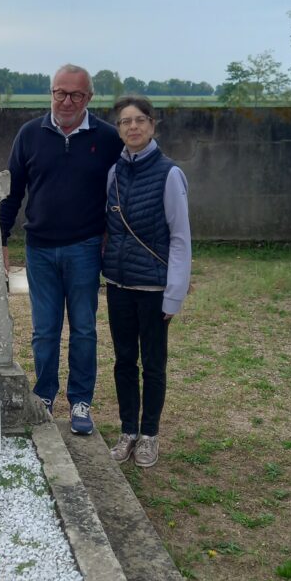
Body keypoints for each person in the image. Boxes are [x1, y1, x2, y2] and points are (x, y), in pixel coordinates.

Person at [0, 64, 122, 435]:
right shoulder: (29, 134)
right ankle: (45, 396)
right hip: (39, 248)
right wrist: (0, 241)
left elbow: (120, 194)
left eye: (76, 95)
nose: (67, 101)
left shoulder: (108, 137)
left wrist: (110, 239)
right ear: (50, 92)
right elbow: (11, 192)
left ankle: (81, 401)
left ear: (90, 98)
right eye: (60, 93)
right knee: (44, 330)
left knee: (84, 328)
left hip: (85, 248)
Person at [103, 95, 191, 468]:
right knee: (124, 361)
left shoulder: (170, 174)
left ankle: (150, 434)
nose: (133, 127)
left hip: (154, 290)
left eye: (140, 120)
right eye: (125, 122)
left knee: (153, 364)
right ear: (119, 129)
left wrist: (174, 295)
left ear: (152, 126)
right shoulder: (114, 173)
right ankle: (128, 431)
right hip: (120, 286)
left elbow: (180, 238)